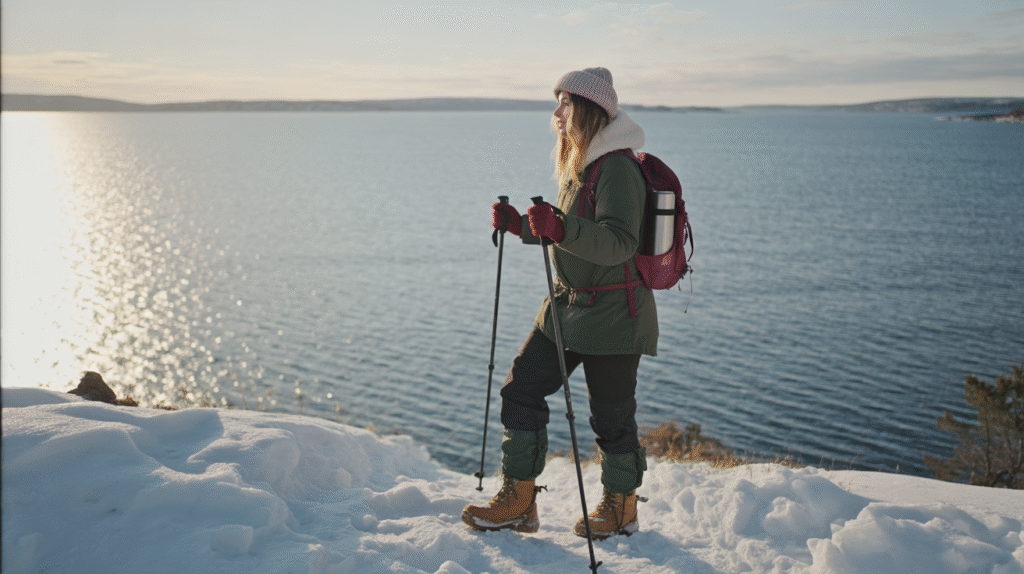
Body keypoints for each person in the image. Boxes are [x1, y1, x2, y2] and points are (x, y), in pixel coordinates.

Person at [462, 67, 657, 539]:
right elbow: (567, 229)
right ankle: (519, 501)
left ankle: (621, 507)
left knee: (611, 418)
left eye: (565, 104)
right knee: (521, 388)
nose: (557, 114)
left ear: (587, 110)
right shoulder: (584, 163)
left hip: (614, 315)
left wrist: (560, 227)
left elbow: (617, 243)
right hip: (566, 309)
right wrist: (521, 226)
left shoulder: (618, 168)